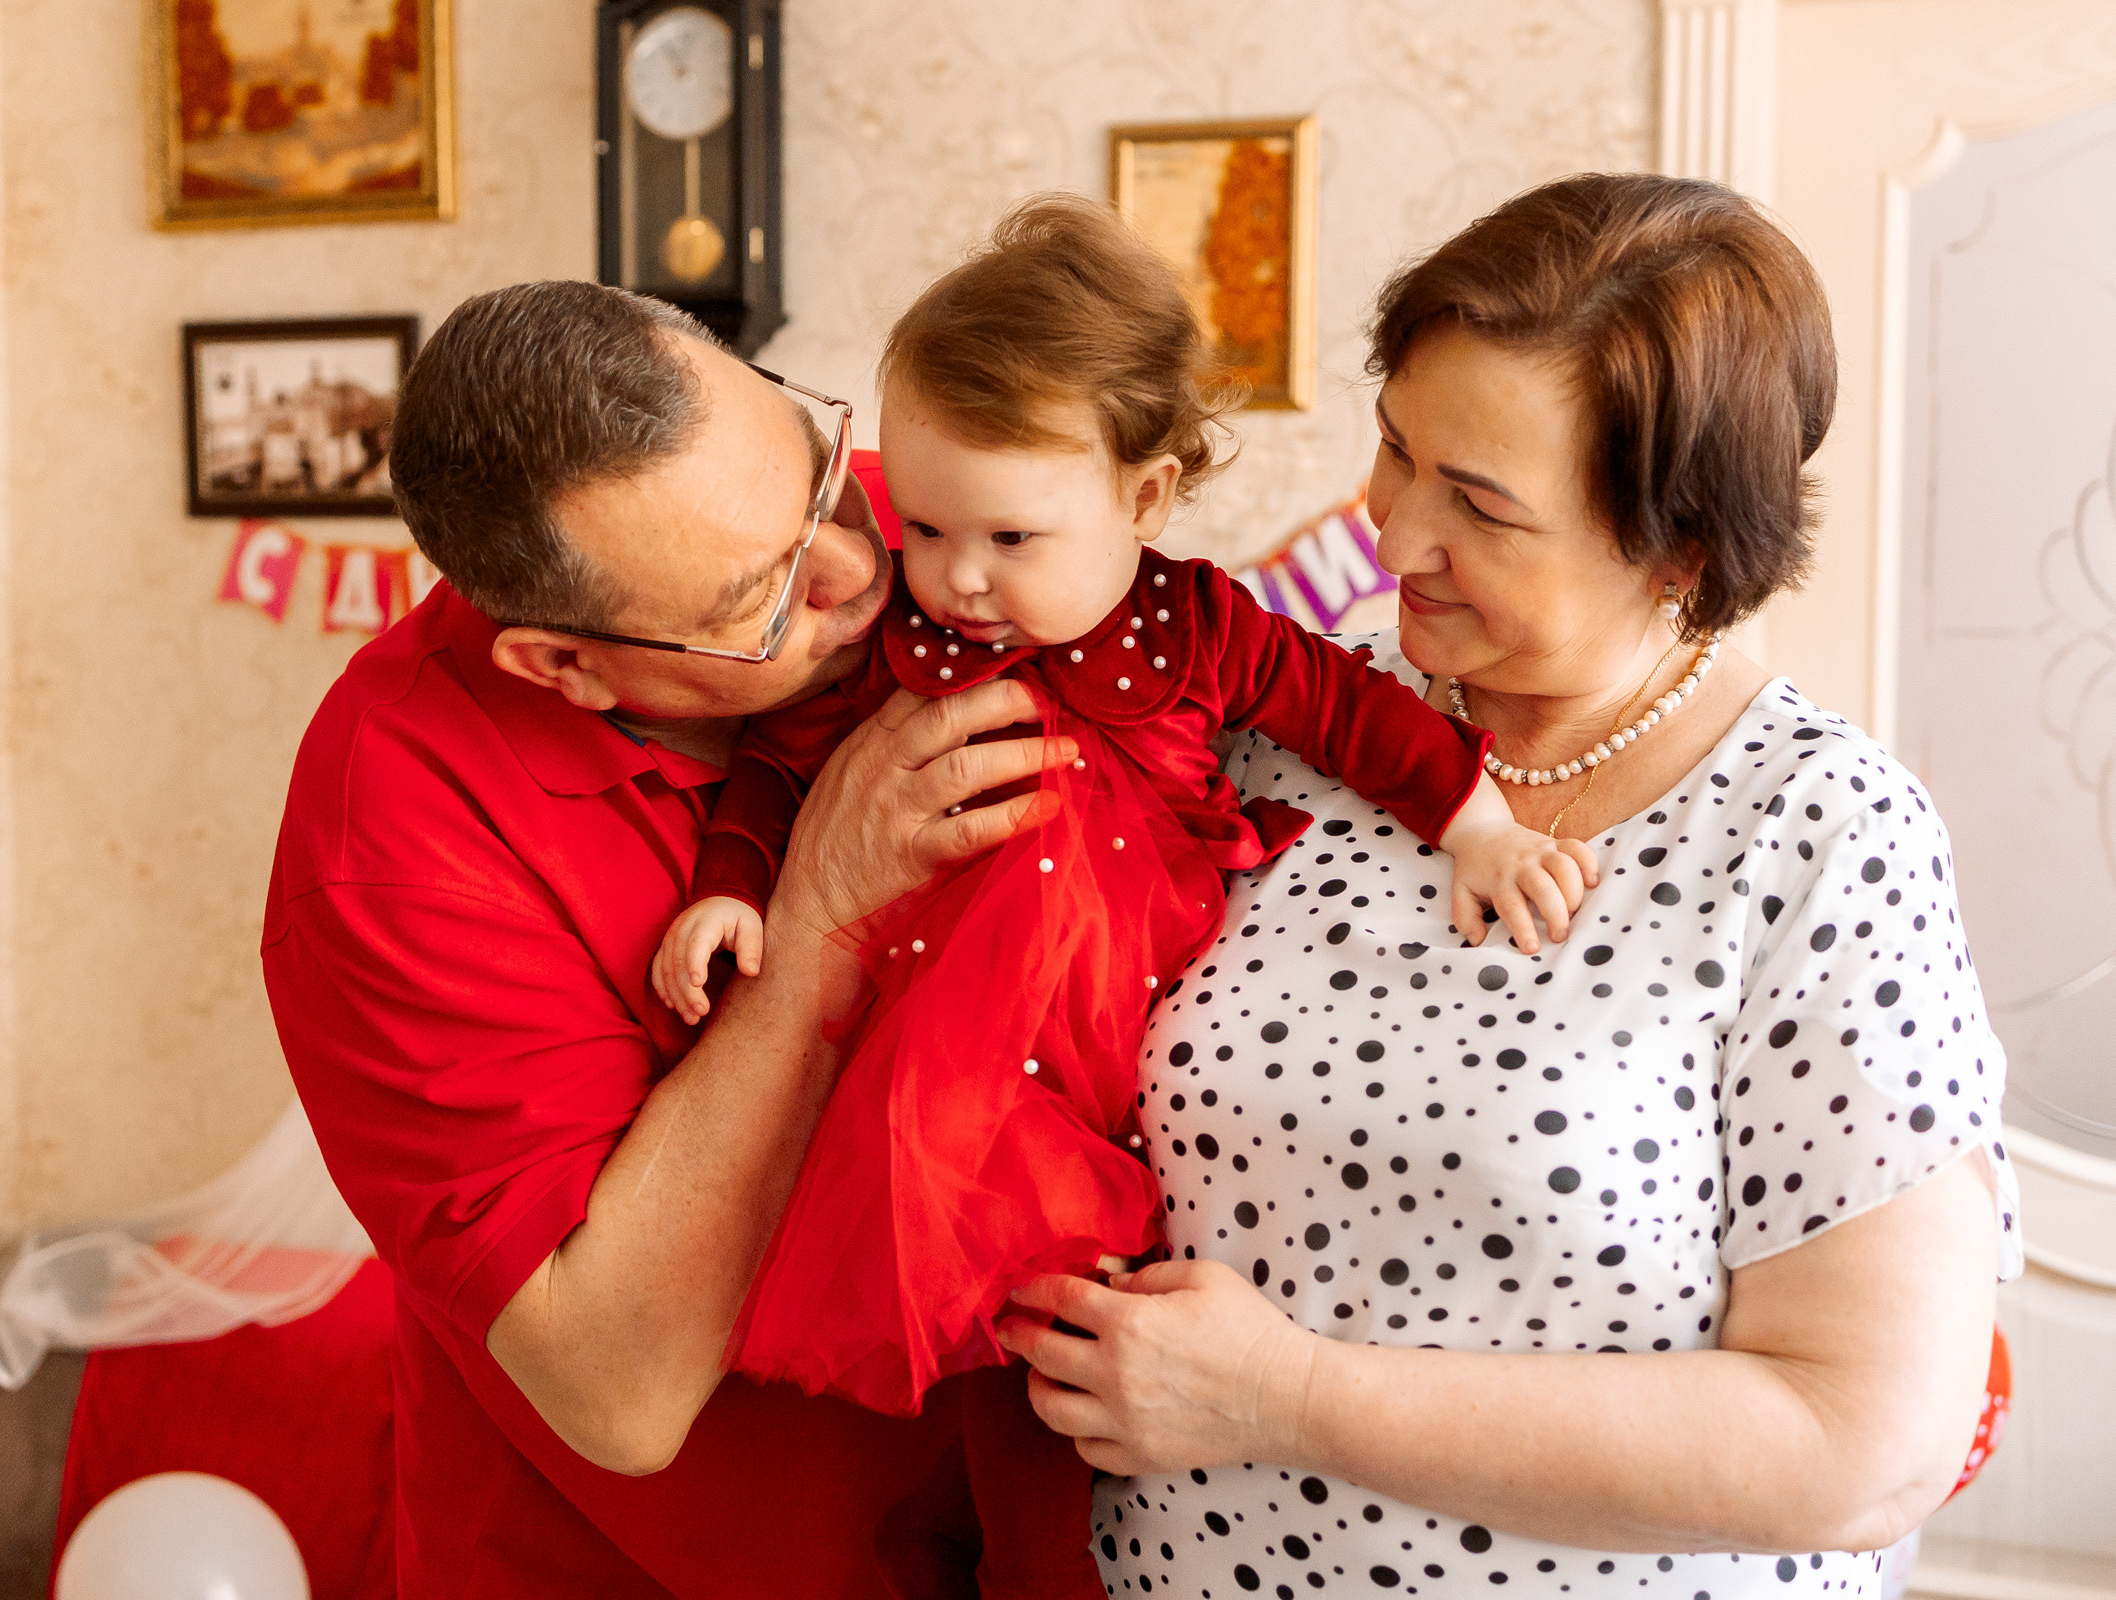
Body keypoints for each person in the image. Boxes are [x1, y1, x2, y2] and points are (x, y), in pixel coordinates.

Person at [1002, 173, 2024, 1598]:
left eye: (1479, 504)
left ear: (1679, 551)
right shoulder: (1287, 737)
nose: (1393, 533)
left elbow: (1862, 1441)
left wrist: (1288, 1398)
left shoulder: (1819, 835)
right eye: (1395, 449)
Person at [662, 199, 1582, 1436]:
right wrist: (731, 878)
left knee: (1092, 1310)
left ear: (1143, 500)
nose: (960, 575)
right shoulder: (900, 640)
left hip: (1132, 1012)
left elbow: (1352, 715)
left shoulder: (1195, 627)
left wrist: (1477, 825)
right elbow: (780, 761)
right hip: (949, 1015)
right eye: (926, 527)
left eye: (1011, 536)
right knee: (956, 1238)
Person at [261, 280, 1099, 1596]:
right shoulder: (395, 836)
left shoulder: (906, 518)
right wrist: (819, 913)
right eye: (757, 600)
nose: (857, 569)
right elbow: (618, 1388)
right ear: (565, 668)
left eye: (817, 470)